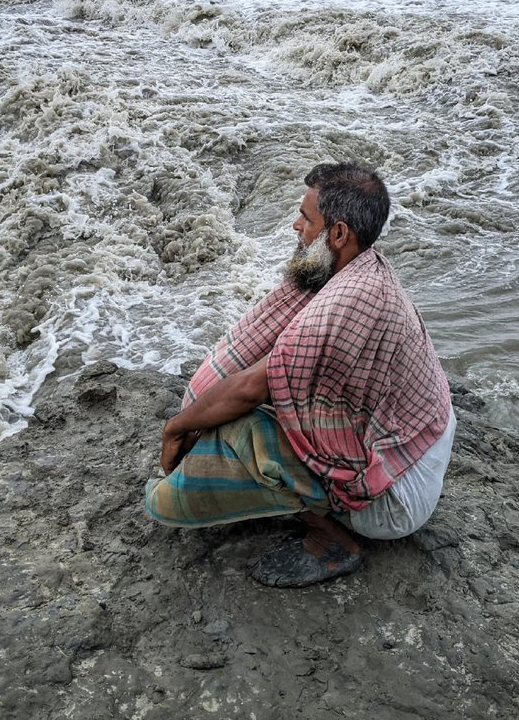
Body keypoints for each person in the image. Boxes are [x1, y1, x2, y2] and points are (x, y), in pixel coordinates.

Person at [145, 162, 455, 587]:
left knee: (243, 428)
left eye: (306, 218)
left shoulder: (341, 306)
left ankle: (331, 543)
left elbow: (251, 389)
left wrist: (176, 429)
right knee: (244, 408)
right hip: (423, 436)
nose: (296, 226)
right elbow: (281, 364)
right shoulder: (365, 268)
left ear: (340, 233)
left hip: (398, 499)